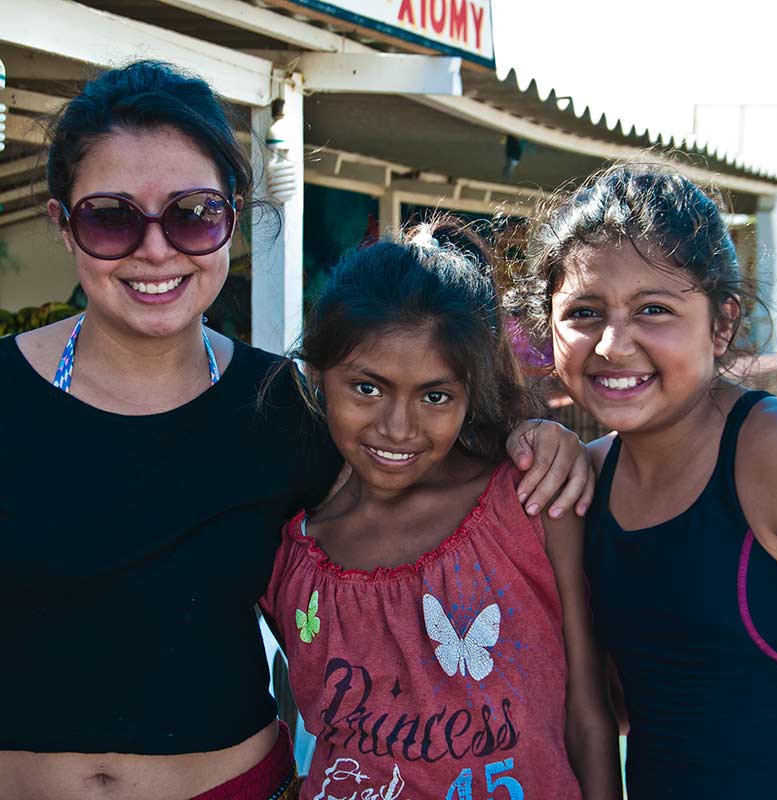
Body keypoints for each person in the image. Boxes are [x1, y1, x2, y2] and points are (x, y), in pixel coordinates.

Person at [0, 61, 592, 800]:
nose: (156, 250)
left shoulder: (288, 409)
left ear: (233, 217)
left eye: (191, 213)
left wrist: (533, 440)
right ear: (63, 223)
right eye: (111, 217)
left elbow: (416, 475)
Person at [260, 219, 622, 799]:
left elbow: (588, 711)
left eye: (435, 396)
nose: (398, 428)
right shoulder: (293, 554)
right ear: (317, 375)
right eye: (368, 388)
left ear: (468, 395)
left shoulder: (529, 504)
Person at [521, 164, 777, 799]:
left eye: (654, 310)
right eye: (585, 312)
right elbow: (617, 701)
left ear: (722, 322)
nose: (614, 345)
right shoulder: (578, 481)